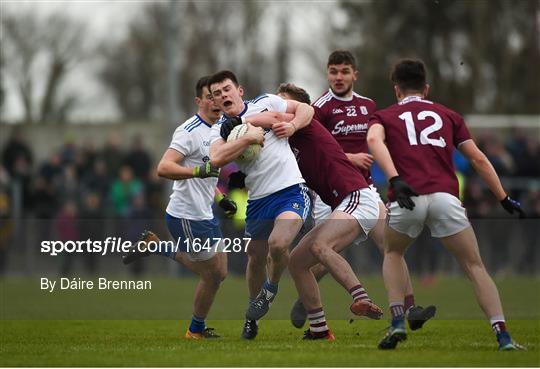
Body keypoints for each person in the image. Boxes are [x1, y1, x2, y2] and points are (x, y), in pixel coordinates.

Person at [367, 59, 525, 350]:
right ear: (425, 89)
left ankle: (398, 320)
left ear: (397, 90)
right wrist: (503, 197)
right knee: (475, 266)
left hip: (407, 197)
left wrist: (394, 178)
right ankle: (503, 335)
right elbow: (478, 159)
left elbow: (373, 140)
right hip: (445, 198)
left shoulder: (384, 116)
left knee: (392, 252)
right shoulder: (449, 115)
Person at [290, 50, 435, 331]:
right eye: (333, 71)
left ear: (355, 74)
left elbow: (379, 140)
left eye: (344, 71)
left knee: (391, 246)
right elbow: (316, 147)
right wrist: (350, 157)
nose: (339, 77)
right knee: (322, 252)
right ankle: (307, 297)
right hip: (329, 191)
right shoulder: (320, 108)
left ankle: (411, 308)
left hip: (363, 187)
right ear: (327, 74)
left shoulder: (368, 105)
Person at [238, 83, 386, 340]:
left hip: (357, 196)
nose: (276, 105)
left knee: (320, 246)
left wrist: (240, 120)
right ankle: (319, 329)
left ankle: (361, 298)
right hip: (344, 201)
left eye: (282, 102)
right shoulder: (284, 144)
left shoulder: (302, 124)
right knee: (297, 262)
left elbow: (274, 116)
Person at [123, 76, 237, 339]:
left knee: (220, 272)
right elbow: (163, 168)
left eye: (219, 95)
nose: (216, 100)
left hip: (204, 212)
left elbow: (208, 174)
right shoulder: (188, 131)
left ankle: (155, 246)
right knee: (212, 274)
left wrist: (221, 198)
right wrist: (199, 171)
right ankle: (194, 330)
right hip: (185, 214)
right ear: (199, 101)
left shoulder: (220, 128)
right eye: (210, 96)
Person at [208, 70, 313, 339]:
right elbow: (217, 157)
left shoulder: (266, 101)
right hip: (257, 199)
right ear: (215, 102)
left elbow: (305, 109)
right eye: (217, 94)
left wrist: (292, 126)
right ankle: (251, 316)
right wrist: (246, 137)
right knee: (255, 257)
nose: (223, 95)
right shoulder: (217, 130)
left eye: (227, 89)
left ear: (239, 90)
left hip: (290, 189)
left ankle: (271, 288)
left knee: (278, 244)